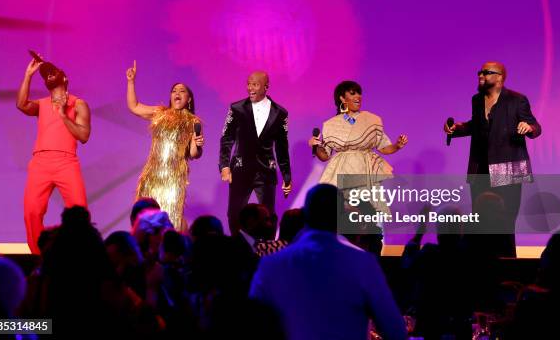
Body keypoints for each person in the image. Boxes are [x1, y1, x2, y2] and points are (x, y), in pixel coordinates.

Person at [249, 184, 407, 340]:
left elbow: (254, 323)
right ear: (340, 218)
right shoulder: (363, 263)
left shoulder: (271, 265)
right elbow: (395, 330)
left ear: (306, 216)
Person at [444, 61, 541, 257]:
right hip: (481, 168)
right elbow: (477, 126)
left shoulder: (517, 100)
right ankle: (483, 264)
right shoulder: (477, 100)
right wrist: (457, 129)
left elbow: (535, 126)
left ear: (499, 77)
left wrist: (528, 127)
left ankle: (507, 265)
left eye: (486, 72)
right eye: (480, 72)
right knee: (481, 219)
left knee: (505, 220)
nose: (481, 75)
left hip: (508, 167)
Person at [308, 80, 407, 233]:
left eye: (359, 93)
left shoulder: (372, 119)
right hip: (341, 170)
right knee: (343, 209)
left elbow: (383, 146)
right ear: (342, 98)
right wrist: (315, 146)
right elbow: (324, 155)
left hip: (365, 168)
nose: (358, 97)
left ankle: (371, 243)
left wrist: (397, 145)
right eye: (353, 93)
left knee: (367, 209)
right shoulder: (331, 124)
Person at [17, 56, 91, 254]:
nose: (49, 75)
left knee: (79, 211)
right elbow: (21, 105)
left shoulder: (78, 104)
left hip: (67, 162)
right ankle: (38, 257)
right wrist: (28, 75)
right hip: (40, 161)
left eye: (53, 72)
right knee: (31, 211)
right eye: (45, 74)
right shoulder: (41, 104)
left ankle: (78, 256)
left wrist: (63, 116)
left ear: (64, 78)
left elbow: (84, 135)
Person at [126, 61, 204, 231]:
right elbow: (135, 106)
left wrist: (198, 146)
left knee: (171, 218)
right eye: (174, 91)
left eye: (182, 91)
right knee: (146, 217)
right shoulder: (160, 113)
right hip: (152, 175)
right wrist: (131, 81)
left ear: (188, 99)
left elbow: (193, 153)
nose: (177, 93)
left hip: (174, 178)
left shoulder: (193, 121)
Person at [219, 71, 291, 235]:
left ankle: (267, 250)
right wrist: (224, 166)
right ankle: (238, 248)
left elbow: (282, 146)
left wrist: (287, 176)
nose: (250, 88)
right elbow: (226, 138)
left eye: (255, 85)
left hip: (266, 170)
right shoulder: (236, 108)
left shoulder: (280, 113)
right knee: (234, 213)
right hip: (240, 169)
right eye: (248, 84)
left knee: (268, 215)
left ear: (266, 87)